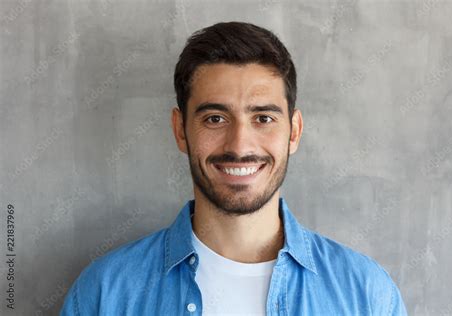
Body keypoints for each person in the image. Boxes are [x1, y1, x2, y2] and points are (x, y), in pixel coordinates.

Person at [60, 21, 408, 315]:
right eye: (215, 118)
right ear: (180, 130)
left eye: (263, 118)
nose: (240, 145)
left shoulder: (366, 296)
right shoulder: (105, 294)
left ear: (295, 131)